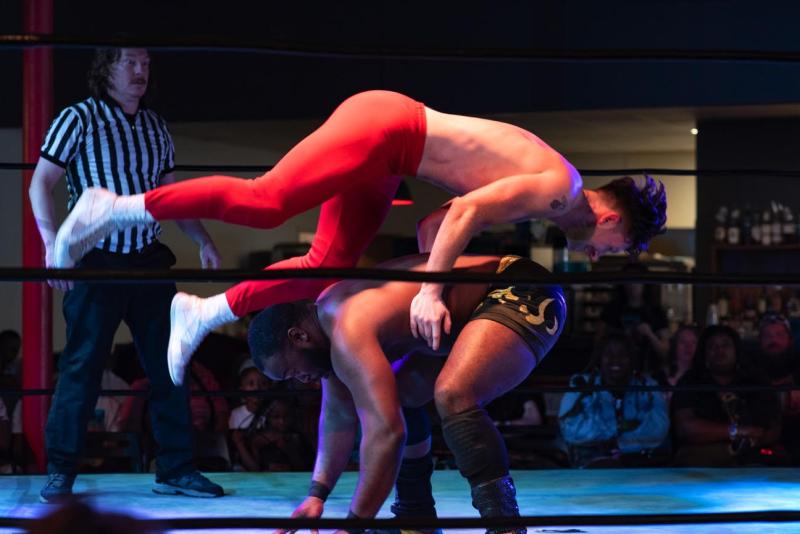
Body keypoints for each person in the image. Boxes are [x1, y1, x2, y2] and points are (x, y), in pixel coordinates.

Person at [51, 90, 666, 384]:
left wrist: (433, 273)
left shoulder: (550, 191)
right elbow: (461, 219)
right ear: (612, 221)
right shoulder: (559, 189)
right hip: (386, 128)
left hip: (392, 159)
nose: (594, 255)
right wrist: (427, 293)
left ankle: (203, 312)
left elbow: (437, 224)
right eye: (610, 250)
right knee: (269, 202)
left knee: (328, 264)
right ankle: (117, 205)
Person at [28, 47, 224, 501]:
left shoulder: (155, 126)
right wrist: (50, 245)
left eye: (145, 63)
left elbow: (171, 196)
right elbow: (41, 181)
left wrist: (203, 240)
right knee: (81, 365)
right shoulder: (78, 117)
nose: (140, 72)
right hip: (96, 259)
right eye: (129, 63)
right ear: (106, 70)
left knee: (170, 361)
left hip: (149, 258)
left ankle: (175, 468)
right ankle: (60, 471)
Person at [248, 253, 566, 532]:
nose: (303, 380)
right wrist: (317, 496)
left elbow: (387, 433)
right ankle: (416, 518)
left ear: (298, 336)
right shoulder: (327, 323)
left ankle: (504, 526)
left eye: (293, 371)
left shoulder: (347, 329)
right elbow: (338, 417)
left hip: (521, 287)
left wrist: (353, 525)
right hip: (479, 308)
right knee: (396, 394)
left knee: (453, 394)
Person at [672, 325, 786, 467]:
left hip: (754, 458)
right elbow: (686, 428)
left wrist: (746, 443)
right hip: (702, 460)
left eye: (725, 345)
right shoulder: (690, 382)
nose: (719, 350)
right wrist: (736, 431)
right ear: (705, 353)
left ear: (736, 350)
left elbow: (773, 428)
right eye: (713, 346)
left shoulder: (756, 380)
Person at [558, 332, 670, 468]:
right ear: (600, 358)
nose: (615, 360)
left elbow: (659, 429)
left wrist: (622, 444)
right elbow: (570, 428)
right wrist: (616, 428)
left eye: (622, 355)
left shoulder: (648, 386)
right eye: (609, 354)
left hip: (639, 463)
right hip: (590, 464)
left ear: (632, 359)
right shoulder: (581, 384)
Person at [596, 263, 670, 373]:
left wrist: (650, 334)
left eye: (637, 281)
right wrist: (618, 337)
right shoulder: (611, 310)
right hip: (616, 373)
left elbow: (665, 352)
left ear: (645, 283)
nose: (632, 285)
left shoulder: (656, 312)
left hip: (649, 373)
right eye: (628, 281)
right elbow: (598, 344)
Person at [752, 312, 800, 461]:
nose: (774, 340)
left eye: (779, 335)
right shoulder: (747, 369)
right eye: (768, 336)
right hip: (757, 441)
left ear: (790, 339)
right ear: (759, 340)